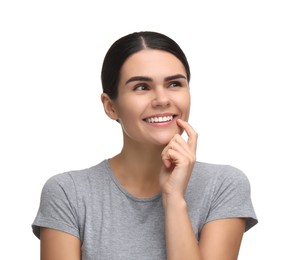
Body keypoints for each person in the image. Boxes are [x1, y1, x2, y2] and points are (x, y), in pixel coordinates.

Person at [32, 31, 258, 260]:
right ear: (110, 106)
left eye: (174, 83)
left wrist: (174, 200)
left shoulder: (223, 186)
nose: (162, 99)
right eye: (141, 87)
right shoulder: (68, 193)